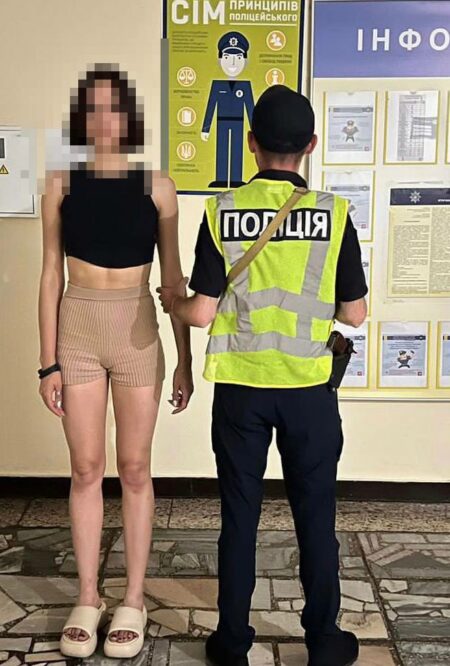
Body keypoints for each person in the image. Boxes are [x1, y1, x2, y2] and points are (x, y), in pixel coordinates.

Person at [158, 85, 368, 666]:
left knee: (239, 518)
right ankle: (323, 641)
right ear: (311, 145)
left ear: (250, 144)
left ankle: (231, 643)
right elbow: (354, 314)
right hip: (308, 391)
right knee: (316, 519)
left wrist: (173, 300)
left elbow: (202, 313)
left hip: (241, 392)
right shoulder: (335, 214)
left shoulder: (222, 212)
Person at [38, 64, 193, 659]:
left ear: (129, 118)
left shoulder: (158, 187)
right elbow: (50, 274)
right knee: (84, 467)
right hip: (77, 327)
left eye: (114, 108)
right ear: (81, 118)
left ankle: (132, 598)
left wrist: (184, 360)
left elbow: (173, 282)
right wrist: (47, 361)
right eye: (93, 109)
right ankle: (87, 596)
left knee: (134, 467)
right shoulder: (60, 183)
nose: (104, 120)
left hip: (137, 331)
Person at [201, 31, 255, 188]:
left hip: (239, 122)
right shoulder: (217, 85)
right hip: (221, 121)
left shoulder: (245, 86)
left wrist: (255, 130)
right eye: (227, 57)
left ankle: (236, 178)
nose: (232, 63)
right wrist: (205, 129)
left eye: (238, 58)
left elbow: (250, 108)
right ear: (220, 60)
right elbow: (211, 106)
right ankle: (221, 178)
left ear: (245, 61)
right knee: (222, 148)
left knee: (237, 148)